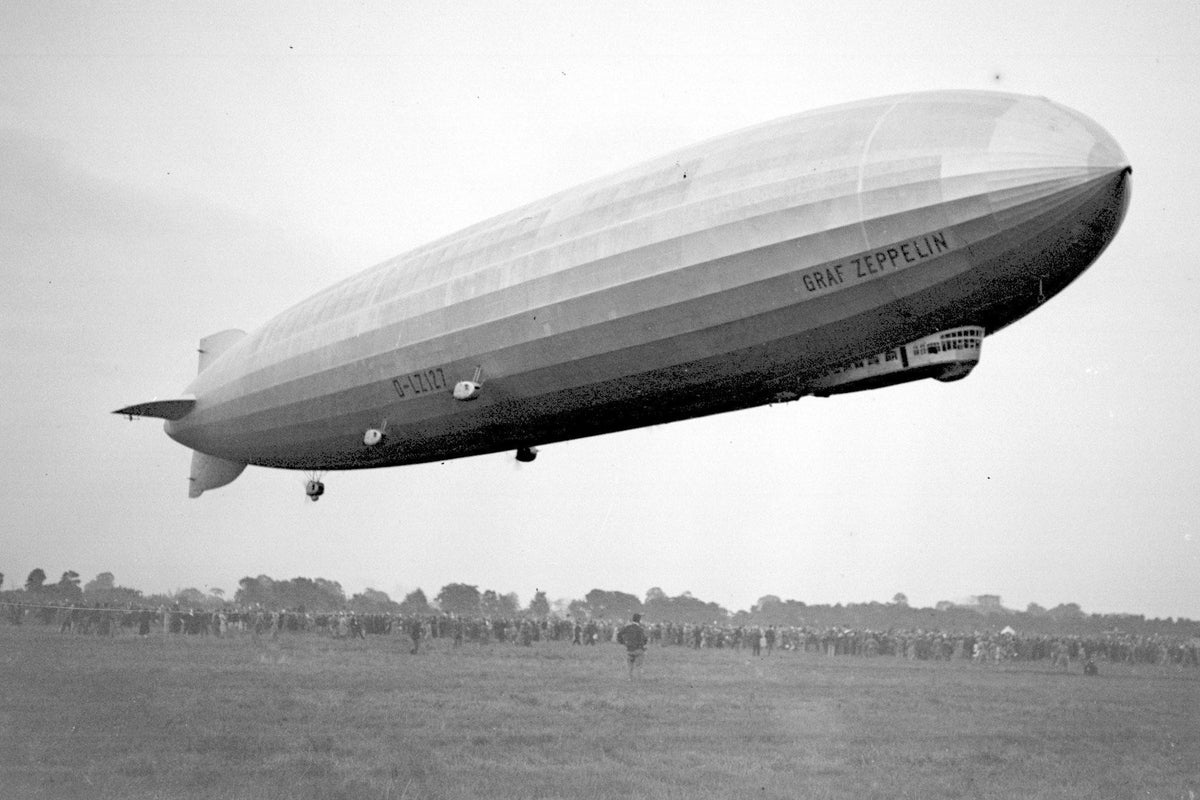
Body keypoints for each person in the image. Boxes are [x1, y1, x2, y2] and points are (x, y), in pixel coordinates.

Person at [617, 613, 649, 681]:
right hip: (638, 649)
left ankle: (630, 678)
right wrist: (644, 645)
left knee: (630, 665)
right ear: (639, 620)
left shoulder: (628, 627)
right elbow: (644, 639)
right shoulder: (640, 629)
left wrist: (623, 642)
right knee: (639, 665)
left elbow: (619, 634)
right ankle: (639, 679)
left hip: (629, 649)